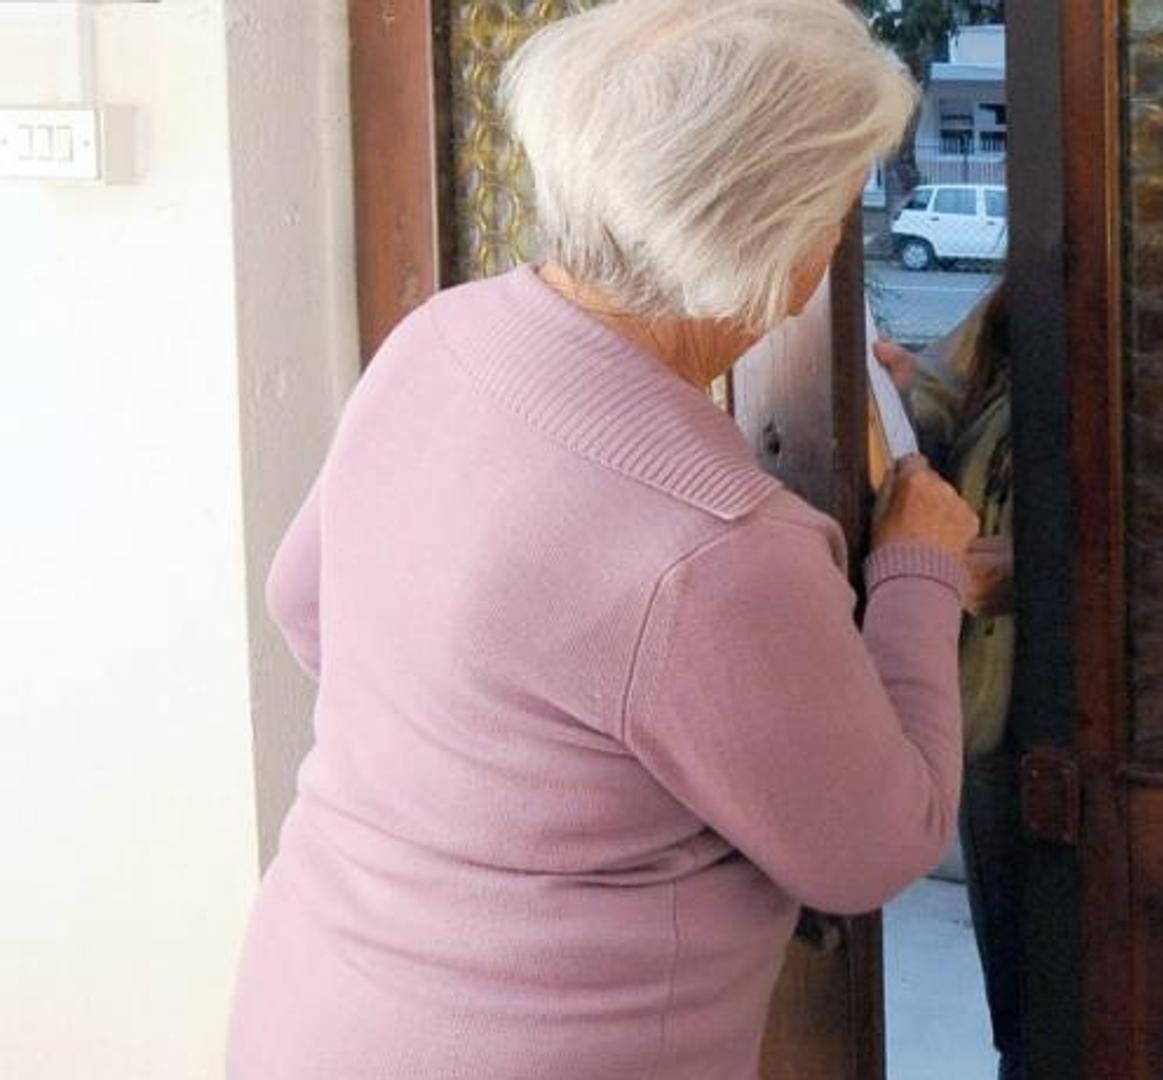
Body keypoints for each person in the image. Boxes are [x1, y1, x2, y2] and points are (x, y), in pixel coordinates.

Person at [225, 4, 979, 1078]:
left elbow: (304, 604)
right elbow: (874, 846)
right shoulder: (718, 544)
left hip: (310, 1003)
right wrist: (919, 565)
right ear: (781, 241)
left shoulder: (443, 337)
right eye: (840, 202)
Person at [876, 287, 1024, 1080]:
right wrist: (901, 397)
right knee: (1024, 1003)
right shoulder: (1021, 296)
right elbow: (950, 394)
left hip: (1124, 729)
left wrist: (1046, 570)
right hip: (993, 711)